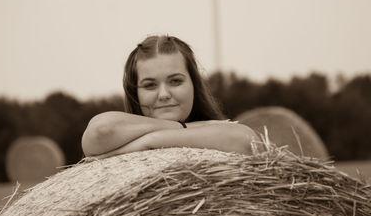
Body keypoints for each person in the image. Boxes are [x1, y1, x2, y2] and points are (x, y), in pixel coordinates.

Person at [81, 35, 261, 158]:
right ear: (135, 93)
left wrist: (149, 142)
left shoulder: (225, 132)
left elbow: (247, 142)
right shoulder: (212, 128)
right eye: (150, 85)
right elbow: (101, 131)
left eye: (175, 81)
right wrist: (185, 127)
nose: (164, 95)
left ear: (194, 85)